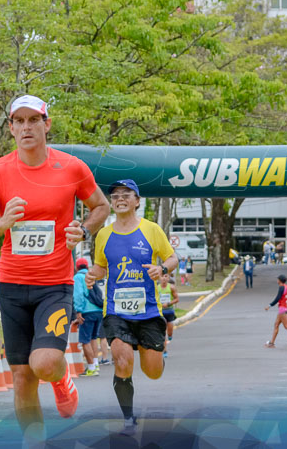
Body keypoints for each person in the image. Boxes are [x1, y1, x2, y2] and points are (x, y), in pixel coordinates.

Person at [0, 94, 110, 438]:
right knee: (22, 378)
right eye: (19, 121)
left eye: (34, 120)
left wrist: (83, 229)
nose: (26, 127)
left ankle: (61, 378)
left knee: (43, 363)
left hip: (55, 284)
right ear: (11, 128)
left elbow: (101, 207)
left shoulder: (72, 167)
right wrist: (2, 224)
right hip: (13, 287)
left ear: (47, 124)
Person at [84, 179, 177, 434]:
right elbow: (101, 266)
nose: (120, 198)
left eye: (126, 194)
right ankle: (128, 418)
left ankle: (154, 355)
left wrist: (162, 268)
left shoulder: (151, 229)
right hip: (116, 311)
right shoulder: (104, 234)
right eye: (115, 196)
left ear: (137, 201)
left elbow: (172, 257)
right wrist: (93, 274)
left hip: (148, 311)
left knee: (153, 371)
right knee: (122, 360)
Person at [72, 257, 104, 376]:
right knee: (94, 338)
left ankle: (91, 368)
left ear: (76, 267)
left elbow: (79, 295)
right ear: (87, 267)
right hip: (98, 310)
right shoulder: (92, 276)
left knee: (85, 340)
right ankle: (95, 365)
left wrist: (78, 311)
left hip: (87, 311)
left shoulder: (78, 277)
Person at [158, 272, 179, 357]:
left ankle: (170, 336)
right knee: (162, 332)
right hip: (160, 312)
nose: (163, 278)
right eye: (162, 276)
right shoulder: (156, 288)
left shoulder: (171, 287)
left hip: (169, 311)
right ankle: (164, 350)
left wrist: (169, 303)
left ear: (168, 278)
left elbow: (177, 299)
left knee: (169, 332)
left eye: (165, 276)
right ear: (159, 278)